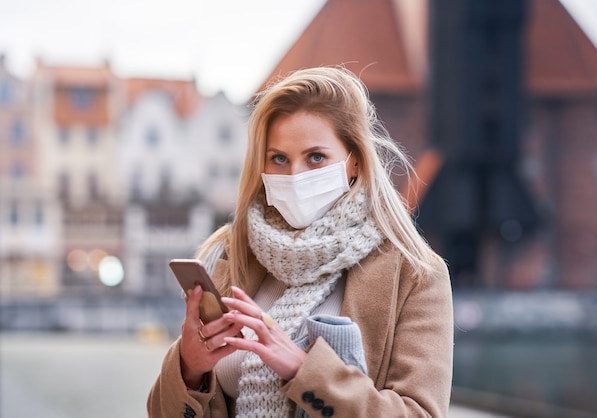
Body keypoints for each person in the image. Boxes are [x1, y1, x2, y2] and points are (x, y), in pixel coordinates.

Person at [147, 66, 454, 418]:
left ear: (354, 162)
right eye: (279, 158)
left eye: (316, 157)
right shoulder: (235, 255)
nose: (295, 176)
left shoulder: (415, 275)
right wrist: (189, 367)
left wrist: (303, 371)